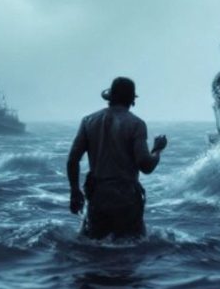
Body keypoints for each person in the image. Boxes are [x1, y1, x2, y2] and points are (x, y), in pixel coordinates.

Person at [67, 77, 167, 240]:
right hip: (126, 199)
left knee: (93, 249)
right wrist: (157, 149)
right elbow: (145, 165)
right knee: (130, 251)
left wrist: (74, 191)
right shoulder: (136, 124)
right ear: (132, 100)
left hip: (97, 197)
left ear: (110, 98)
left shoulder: (88, 121)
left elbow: (72, 160)